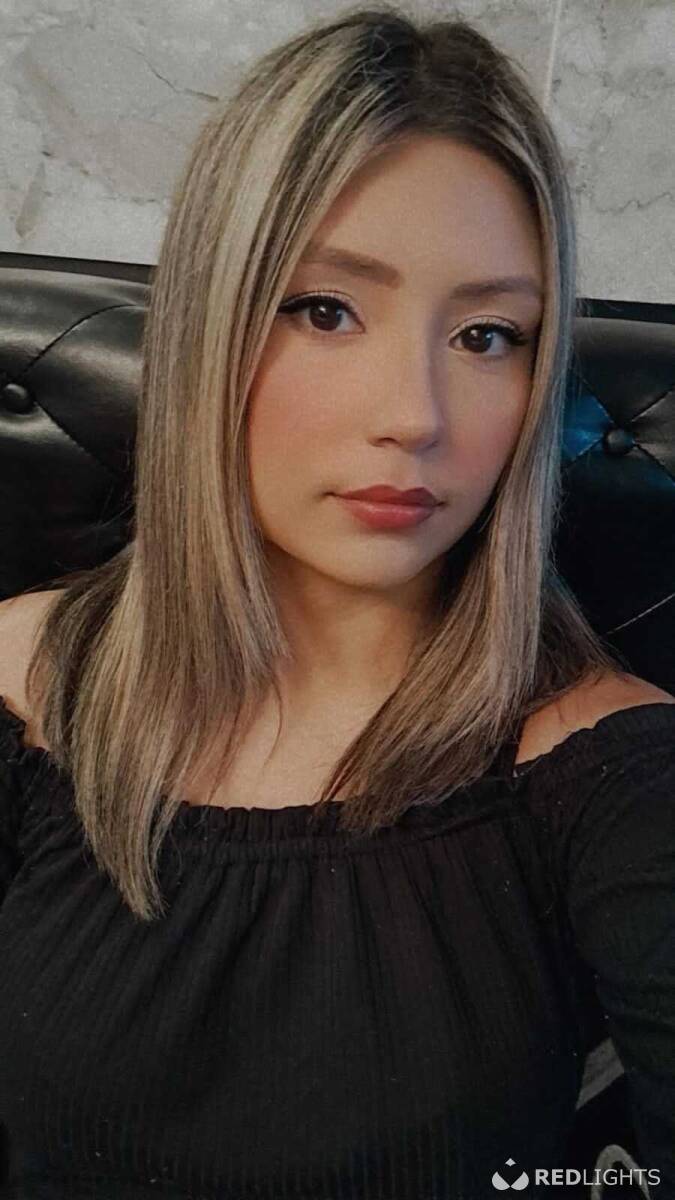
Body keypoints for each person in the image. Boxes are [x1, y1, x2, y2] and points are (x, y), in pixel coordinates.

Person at [0, 5, 674, 1198]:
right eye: (325, 310)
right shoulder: (22, 684)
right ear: (210, 326)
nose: (414, 415)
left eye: (487, 335)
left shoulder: (613, 776)